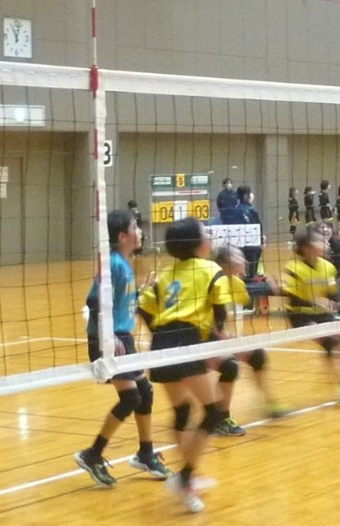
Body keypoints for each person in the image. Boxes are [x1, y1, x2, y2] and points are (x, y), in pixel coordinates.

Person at [136, 218, 232, 514]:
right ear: (197, 243)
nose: (209, 238)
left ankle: (187, 477)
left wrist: (161, 335)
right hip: (187, 341)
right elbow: (220, 311)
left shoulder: (165, 274)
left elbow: (143, 307)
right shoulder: (211, 270)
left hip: (161, 344)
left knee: (183, 411)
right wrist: (217, 338)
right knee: (213, 412)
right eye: (205, 234)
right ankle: (185, 477)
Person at [74, 211, 172, 487]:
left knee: (144, 393)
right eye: (135, 227)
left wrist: (141, 292)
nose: (140, 232)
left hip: (122, 337)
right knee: (131, 398)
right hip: (109, 339)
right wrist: (108, 338)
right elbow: (93, 301)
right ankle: (92, 454)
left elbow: (118, 300)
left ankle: (145, 453)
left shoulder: (124, 264)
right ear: (122, 236)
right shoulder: (113, 264)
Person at [281, 224, 340, 402]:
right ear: (306, 247)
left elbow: (332, 295)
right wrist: (329, 304)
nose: (325, 244)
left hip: (322, 314)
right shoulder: (293, 269)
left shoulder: (328, 267)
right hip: (300, 316)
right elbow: (296, 300)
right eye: (319, 241)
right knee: (331, 342)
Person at [209, 245, 289, 433]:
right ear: (226, 263)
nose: (244, 260)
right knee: (229, 365)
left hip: (216, 334)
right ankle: (221, 418)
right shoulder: (213, 282)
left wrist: (275, 287)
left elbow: (251, 291)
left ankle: (270, 403)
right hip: (198, 338)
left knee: (257, 355)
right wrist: (222, 335)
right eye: (239, 257)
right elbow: (205, 315)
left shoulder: (234, 282)